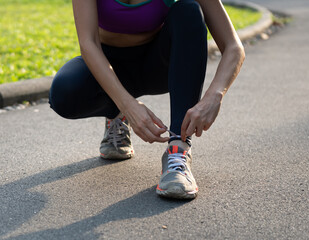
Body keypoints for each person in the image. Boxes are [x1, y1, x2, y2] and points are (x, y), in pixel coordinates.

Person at [49, 0, 245, 199]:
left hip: (157, 67)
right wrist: (127, 105)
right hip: (109, 68)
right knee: (64, 94)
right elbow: (88, 43)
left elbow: (233, 47)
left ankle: (178, 151)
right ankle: (117, 114)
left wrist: (215, 96)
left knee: (189, 10)